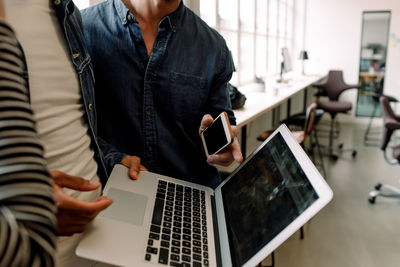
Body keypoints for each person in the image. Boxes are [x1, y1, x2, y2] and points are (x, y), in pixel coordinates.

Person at [4, 0, 143, 265]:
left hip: (97, 237)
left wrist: (112, 157)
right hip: (30, 249)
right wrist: (32, 200)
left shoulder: (67, 12)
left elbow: (75, 124)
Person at [82, 0, 243, 188]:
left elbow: (222, 125)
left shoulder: (214, 47)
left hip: (189, 194)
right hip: (115, 192)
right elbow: (72, 127)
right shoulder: (83, 28)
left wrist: (217, 147)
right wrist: (111, 159)